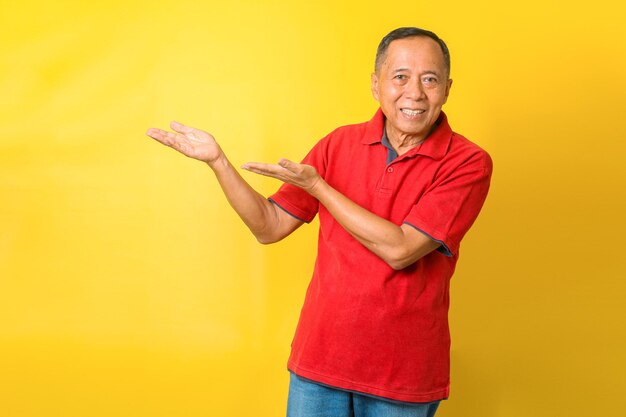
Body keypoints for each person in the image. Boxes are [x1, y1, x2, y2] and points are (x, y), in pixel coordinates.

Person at [147, 27, 492, 417]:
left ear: (447, 88)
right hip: (319, 363)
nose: (414, 92)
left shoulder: (467, 162)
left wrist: (319, 187)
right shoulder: (338, 144)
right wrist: (218, 162)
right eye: (400, 77)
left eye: (429, 79)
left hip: (402, 377)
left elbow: (401, 250)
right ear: (376, 85)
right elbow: (269, 226)